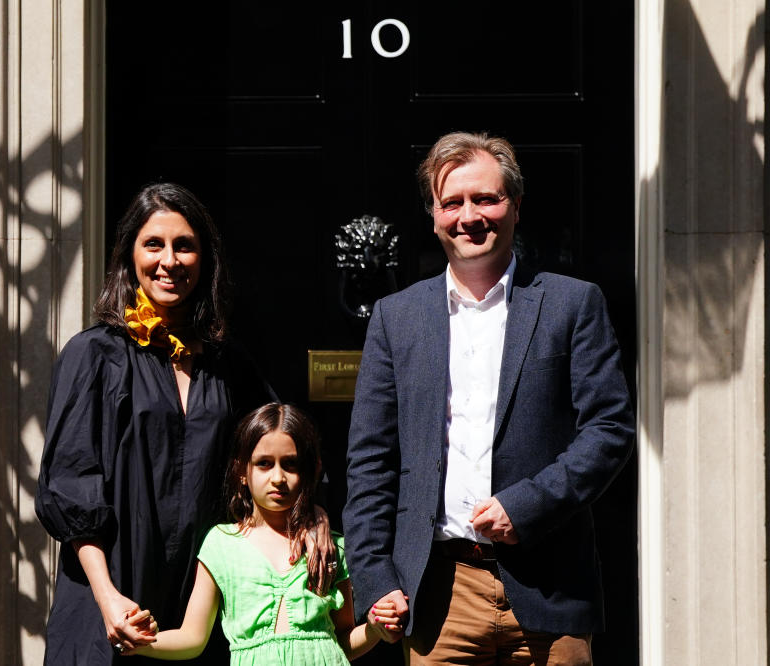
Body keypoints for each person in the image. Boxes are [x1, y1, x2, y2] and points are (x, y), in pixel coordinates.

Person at [342, 132, 635, 665]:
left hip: (551, 592)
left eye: (486, 198)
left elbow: (609, 431)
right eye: (451, 202)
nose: (468, 215)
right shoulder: (396, 317)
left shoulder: (572, 304)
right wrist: (375, 576)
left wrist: (526, 505)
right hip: (438, 596)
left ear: (516, 207)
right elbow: (371, 460)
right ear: (433, 216)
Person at [35, 183, 334, 664]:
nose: (169, 261)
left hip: (202, 599)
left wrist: (313, 513)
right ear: (129, 255)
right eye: (153, 244)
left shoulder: (227, 363)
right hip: (111, 594)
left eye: (184, 245)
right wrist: (107, 598)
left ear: (204, 259)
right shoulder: (93, 356)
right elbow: (70, 485)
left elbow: (281, 448)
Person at [133, 403, 400, 664]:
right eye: (264, 464)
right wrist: (141, 643)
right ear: (242, 472)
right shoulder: (221, 544)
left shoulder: (329, 547)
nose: (278, 477)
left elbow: (342, 642)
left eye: (290, 464)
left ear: (311, 470)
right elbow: (192, 637)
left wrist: (374, 629)